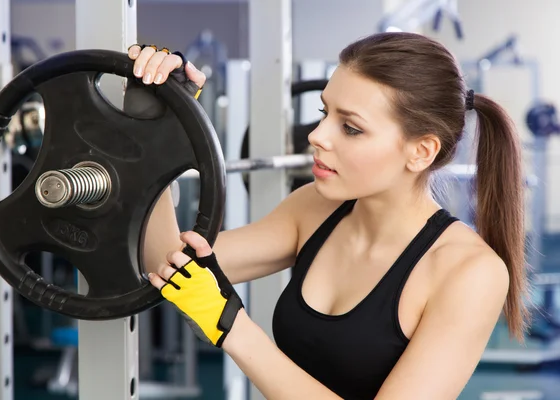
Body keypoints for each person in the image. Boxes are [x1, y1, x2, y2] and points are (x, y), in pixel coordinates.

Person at [131, 32, 530, 399]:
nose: (317, 136)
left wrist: (233, 328)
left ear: (421, 151)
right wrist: (165, 130)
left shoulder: (469, 271)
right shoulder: (315, 208)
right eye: (324, 113)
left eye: (350, 128)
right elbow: (164, 262)